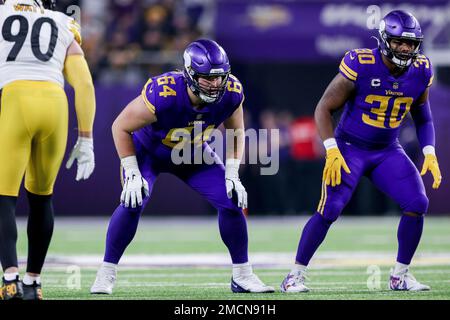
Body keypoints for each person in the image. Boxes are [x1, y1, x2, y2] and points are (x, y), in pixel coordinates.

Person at [90, 39, 274, 294]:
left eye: (220, 78)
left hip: (193, 154)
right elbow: (119, 126)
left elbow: (236, 132)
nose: (216, 84)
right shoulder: (164, 93)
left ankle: (242, 275)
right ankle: (106, 272)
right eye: (207, 78)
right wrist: (132, 171)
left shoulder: (231, 92)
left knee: (231, 200)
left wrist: (232, 174)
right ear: (189, 75)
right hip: (149, 152)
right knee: (133, 201)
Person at [281, 10, 441, 293]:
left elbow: (423, 117)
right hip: (349, 148)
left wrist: (429, 151)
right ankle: (294, 275)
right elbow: (324, 108)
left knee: (417, 202)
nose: (406, 48)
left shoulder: (421, 69)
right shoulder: (362, 63)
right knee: (329, 208)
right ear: (383, 40)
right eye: (398, 42)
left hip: (387, 150)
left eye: (411, 43)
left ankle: (400, 275)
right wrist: (331, 150)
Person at [0, 0, 96, 300]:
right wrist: (86, 138)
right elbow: (84, 85)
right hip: (55, 103)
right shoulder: (62, 21)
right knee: (42, 198)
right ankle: (34, 282)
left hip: (14, 98)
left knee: (4, 197)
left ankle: (10, 278)